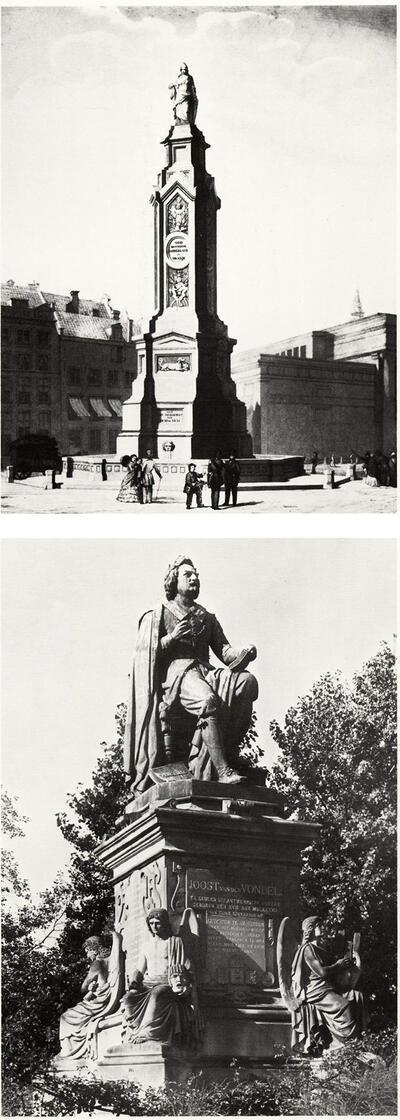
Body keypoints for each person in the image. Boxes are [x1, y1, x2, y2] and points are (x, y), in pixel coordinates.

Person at [124, 555, 258, 793]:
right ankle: (223, 771)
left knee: (247, 683)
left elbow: (225, 652)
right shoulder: (158, 614)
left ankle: (229, 752)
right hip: (176, 676)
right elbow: (145, 655)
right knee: (207, 699)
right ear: (174, 580)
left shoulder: (206, 616)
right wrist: (172, 638)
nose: (195, 578)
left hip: (206, 672)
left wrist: (244, 653)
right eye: (188, 575)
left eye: (196, 574)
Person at [121, 909, 202, 1047]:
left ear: (164, 923)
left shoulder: (175, 942)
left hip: (167, 983)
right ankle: (135, 1032)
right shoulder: (146, 945)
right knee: (128, 998)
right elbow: (140, 969)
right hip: (148, 983)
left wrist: (186, 983)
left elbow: (186, 966)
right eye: (151, 923)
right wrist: (134, 979)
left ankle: (148, 1033)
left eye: (157, 923)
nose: (154, 926)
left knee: (157, 994)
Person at [291, 916, 366, 1056]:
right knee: (344, 1005)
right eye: (319, 925)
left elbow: (333, 973)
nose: (323, 928)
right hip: (316, 990)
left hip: (328, 987)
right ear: (311, 929)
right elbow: (322, 972)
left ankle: (356, 1042)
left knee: (356, 996)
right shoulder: (307, 949)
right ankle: (346, 1046)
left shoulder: (322, 949)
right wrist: (338, 965)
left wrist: (347, 965)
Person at [54, 936, 118, 1065]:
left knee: (65, 1017)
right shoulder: (110, 961)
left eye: (88, 951)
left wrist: (89, 987)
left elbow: (83, 987)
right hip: (102, 998)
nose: (87, 955)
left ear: (93, 950)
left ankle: (70, 1052)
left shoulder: (97, 963)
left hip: (97, 1002)